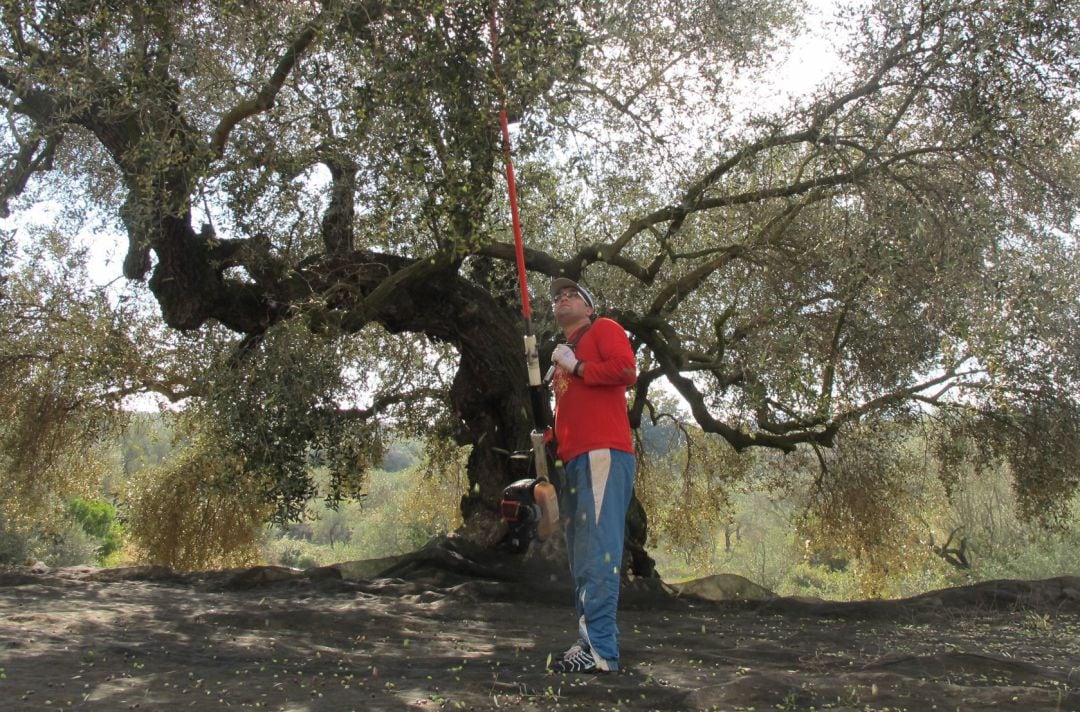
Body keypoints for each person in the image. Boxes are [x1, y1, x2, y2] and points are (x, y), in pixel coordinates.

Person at [546, 277, 637, 674]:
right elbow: (571, 410)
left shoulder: (604, 329)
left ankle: (602, 650)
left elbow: (625, 370)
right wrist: (547, 435)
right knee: (582, 556)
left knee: (599, 550)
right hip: (574, 459)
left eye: (571, 295)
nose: (562, 299)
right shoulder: (562, 356)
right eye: (556, 297)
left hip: (603, 452)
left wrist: (578, 365)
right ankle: (588, 641)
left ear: (588, 306)